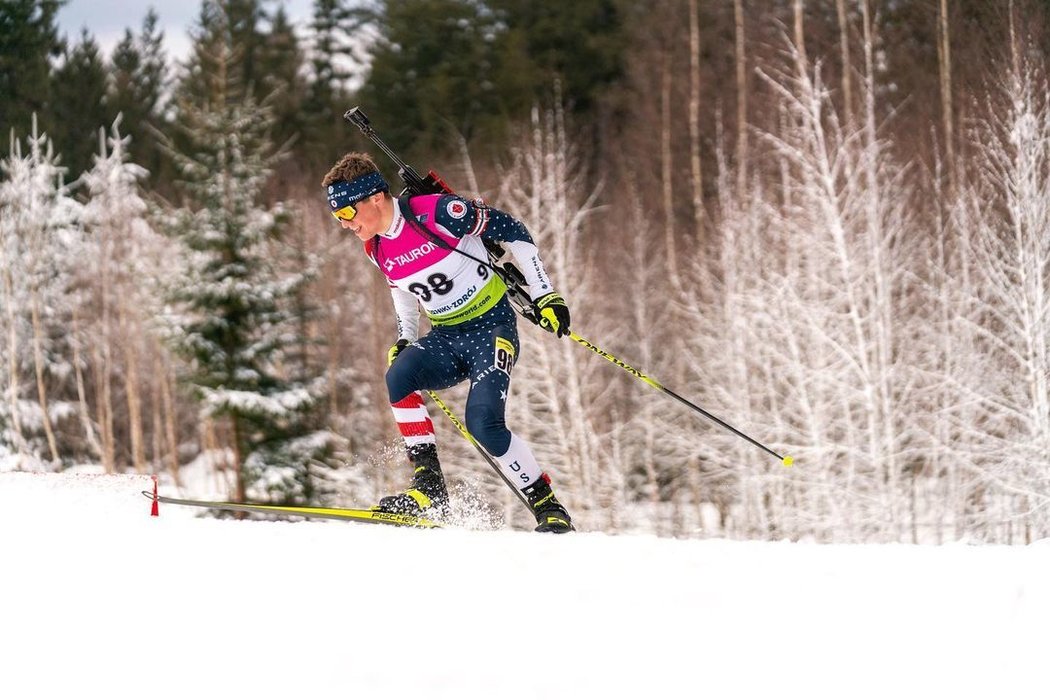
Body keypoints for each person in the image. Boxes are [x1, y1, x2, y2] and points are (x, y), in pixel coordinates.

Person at [322, 152, 575, 533]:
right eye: (337, 217)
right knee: (399, 376)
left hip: (491, 329)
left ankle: (547, 506)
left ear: (375, 198)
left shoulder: (438, 212)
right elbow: (401, 289)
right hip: (446, 336)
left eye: (346, 213)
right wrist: (406, 338)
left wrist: (545, 295)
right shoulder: (375, 246)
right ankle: (429, 490)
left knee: (484, 425)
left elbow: (515, 232)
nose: (344, 224)